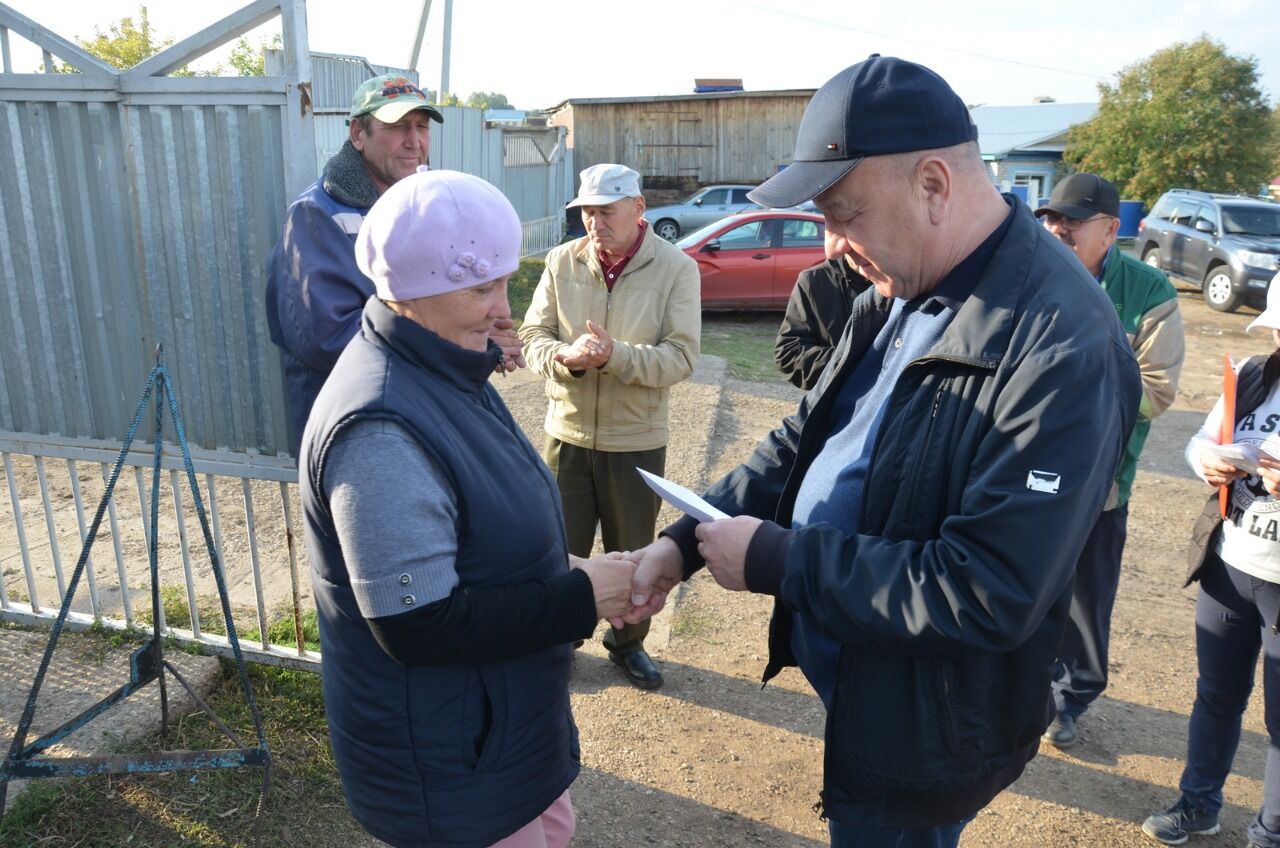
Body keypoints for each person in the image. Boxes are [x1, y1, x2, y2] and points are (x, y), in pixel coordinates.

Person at [615, 55, 1142, 847]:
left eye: (843, 213)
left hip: (925, 723)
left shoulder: (1063, 344)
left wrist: (779, 562)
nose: (829, 244)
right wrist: (685, 539)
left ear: (933, 185)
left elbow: (990, 588)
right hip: (867, 678)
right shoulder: (894, 290)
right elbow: (809, 435)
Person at [299, 168, 636, 848]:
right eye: (483, 286)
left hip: (498, 736)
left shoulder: (446, 363)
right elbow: (419, 623)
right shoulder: (379, 425)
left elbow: (473, 534)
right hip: (449, 768)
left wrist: (567, 570)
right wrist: (577, 599)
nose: (505, 308)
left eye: (505, 282)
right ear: (410, 293)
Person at [265, 73, 522, 454]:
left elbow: (446, 297)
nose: (414, 141)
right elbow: (327, 339)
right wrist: (462, 345)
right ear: (357, 134)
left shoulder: (430, 205)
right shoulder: (317, 216)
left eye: (421, 126)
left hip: (426, 407)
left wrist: (483, 328)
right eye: (397, 126)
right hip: (360, 425)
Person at [519, 163, 700, 691]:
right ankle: (559, 640)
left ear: (639, 209)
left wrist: (614, 356)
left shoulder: (675, 269)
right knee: (557, 548)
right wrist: (568, 358)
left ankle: (628, 644)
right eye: (587, 213)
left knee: (635, 550)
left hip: (636, 440)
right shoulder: (561, 260)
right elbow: (534, 334)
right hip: (566, 434)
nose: (595, 223)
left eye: (606, 211)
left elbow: (681, 358)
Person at [1034, 173, 1185, 748]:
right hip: (1031, 468)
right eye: (1052, 217)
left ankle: (1074, 697)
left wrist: (1075, 391)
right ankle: (1033, 685)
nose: (1058, 227)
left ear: (1111, 230)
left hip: (1102, 483)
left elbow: (1157, 390)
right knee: (1030, 581)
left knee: (1087, 599)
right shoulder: (1035, 274)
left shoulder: (1149, 292)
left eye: (1073, 219)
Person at [1141, 275, 1280, 848]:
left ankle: (1271, 830)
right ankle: (1199, 806)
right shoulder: (1252, 376)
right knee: (1216, 694)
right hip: (1231, 563)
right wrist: (1213, 461)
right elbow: (1200, 440)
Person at [774, 243, 872, 390]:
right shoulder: (813, 281)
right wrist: (850, 363)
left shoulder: (904, 284)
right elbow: (789, 353)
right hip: (833, 405)